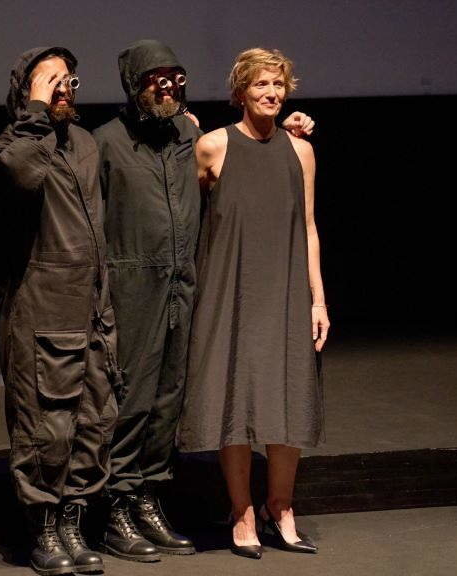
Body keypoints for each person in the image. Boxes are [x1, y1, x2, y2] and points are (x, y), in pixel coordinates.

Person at [93, 39, 316, 562]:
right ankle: (115, 511)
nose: (166, 87)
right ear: (133, 83)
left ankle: (146, 500)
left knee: (167, 400)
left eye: (174, 77)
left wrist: (290, 132)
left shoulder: (187, 132)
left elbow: (250, 166)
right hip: (132, 285)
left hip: (183, 288)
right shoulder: (105, 141)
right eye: (155, 78)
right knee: (131, 400)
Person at [177, 47, 330, 559]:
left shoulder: (300, 150)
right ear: (241, 92)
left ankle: (280, 506)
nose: (271, 93)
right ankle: (242, 511)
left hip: (286, 290)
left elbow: (308, 227)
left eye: (279, 86)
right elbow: (182, 215)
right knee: (234, 399)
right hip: (229, 290)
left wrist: (318, 300)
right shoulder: (213, 147)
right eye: (261, 85)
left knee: (287, 398)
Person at [0, 46, 120, 576]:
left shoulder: (84, 143)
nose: (65, 87)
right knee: (47, 426)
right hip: (41, 312)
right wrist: (35, 114)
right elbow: (20, 176)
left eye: (70, 79)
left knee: (92, 423)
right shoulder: (12, 146)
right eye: (51, 80)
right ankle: (42, 528)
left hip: (91, 309)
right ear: (28, 91)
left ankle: (71, 523)